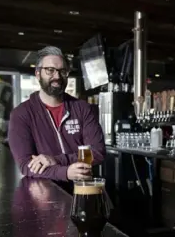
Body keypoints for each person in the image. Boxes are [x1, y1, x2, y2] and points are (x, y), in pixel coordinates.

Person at [8, 46, 106, 181]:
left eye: (62, 71)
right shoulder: (22, 114)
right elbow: (26, 165)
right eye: (50, 70)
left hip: (83, 187)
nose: (57, 76)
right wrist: (65, 173)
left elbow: (97, 152)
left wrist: (55, 160)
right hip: (45, 193)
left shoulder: (83, 108)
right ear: (38, 73)